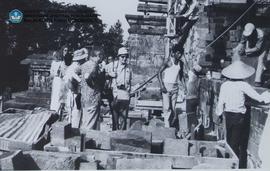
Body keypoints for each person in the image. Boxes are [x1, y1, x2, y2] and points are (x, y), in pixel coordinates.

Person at [216, 59, 270, 168]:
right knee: (237, 144)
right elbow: (258, 98)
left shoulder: (224, 85)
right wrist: (267, 95)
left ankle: (227, 164)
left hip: (228, 115)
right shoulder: (243, 85)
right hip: (239, 117)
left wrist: (219, 115)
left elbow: (220, 102)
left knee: (230, 141)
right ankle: (234, 166)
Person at [158, 48, 184, 129]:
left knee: (173, 108)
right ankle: (167, 127)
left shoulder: (181, 63)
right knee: (167, 107)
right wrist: (162, 86)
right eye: (178, 53)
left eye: (181, 54)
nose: (179, 55)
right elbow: (159, 73)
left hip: (175, 87)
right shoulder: (168, 62)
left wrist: (183, 87)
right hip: (166, 86)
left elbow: (181, 76)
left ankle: (171, 125)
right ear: (173, 53)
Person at [107, 47, 132, 130]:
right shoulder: (113, 65)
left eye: (126, 57)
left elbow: (130, 83)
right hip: (115, 94)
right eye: (122, 57)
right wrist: (109, 74)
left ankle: (122, 137)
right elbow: (102, 73)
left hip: (125, 94)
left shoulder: (129, 68)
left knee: (124, 119)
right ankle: (115, 134)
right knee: (115, 119)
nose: (124, 59)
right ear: (118, 57)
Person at [80, 48, 104, 130]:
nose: (102, 58)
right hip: (92, 97)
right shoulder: (94, 65)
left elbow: (76, 74)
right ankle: (86, 141)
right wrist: (93, 85)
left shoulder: (84, 64)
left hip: (84, 97)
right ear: (98, 56)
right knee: (90, 124)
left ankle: (84, 140)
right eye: (101, 56)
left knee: (85, 121)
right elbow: (87, 77)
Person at [64, 48, 88, 128]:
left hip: (72, 93)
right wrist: (81, 80)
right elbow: (74, 79)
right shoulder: (76, 67)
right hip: (74, 93)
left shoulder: (72, 67)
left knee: (73, 115)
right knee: (76, 114)